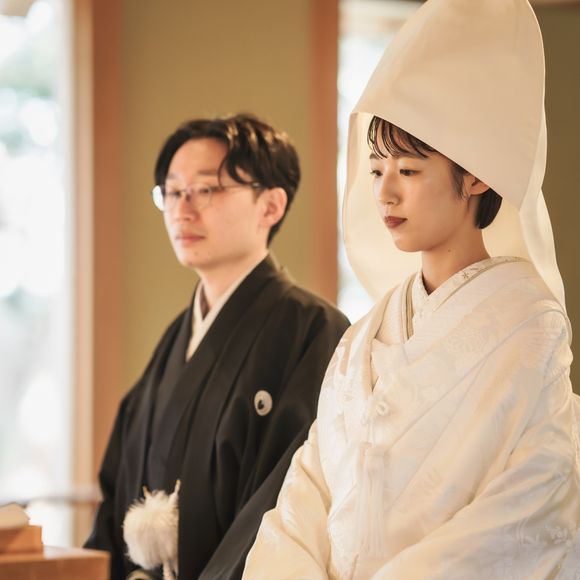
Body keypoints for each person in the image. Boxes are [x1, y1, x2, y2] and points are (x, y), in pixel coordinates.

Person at [243, 0, 580, 578]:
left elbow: (533, 499)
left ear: (476, 175)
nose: (385, 193)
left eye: (409, 170)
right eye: (377, 171)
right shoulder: (362, 338)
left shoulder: (529, 326)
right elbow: (309, 489)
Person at [84, 113, 350, 580]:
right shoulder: (175, 339)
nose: (182, 210)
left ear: (270, 206)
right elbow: (118, 488)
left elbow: (288, 498)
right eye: (172, 192)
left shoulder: (314, 330)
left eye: (206, 189)